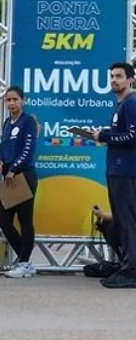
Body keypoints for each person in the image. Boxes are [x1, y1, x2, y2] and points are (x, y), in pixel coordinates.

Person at [90, 62, 136, 289]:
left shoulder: (131, 103)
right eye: (112, 76)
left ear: (130, 80)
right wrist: (104, 134)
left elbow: (133, 136)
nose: (114, 80)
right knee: (121, 221)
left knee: (127, 222)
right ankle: (126, 266)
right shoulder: (121, 105)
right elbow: (122, 134)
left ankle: (131, 271)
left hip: (126, 172)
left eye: (119, 76)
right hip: (116, 170)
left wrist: (105, 137)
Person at [0, 86, 39, 279]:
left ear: (23, 101)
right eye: (8, 100)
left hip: (23, 174)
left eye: (15, 99)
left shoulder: (28, 121)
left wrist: (14, 168)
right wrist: (1, 161)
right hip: (9, 176)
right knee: (4, 221)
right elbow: (4, 146)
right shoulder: (7, 122)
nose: (12, 103)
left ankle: (24, 262)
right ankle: (25, 259)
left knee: (25, 220)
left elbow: (28, 149)